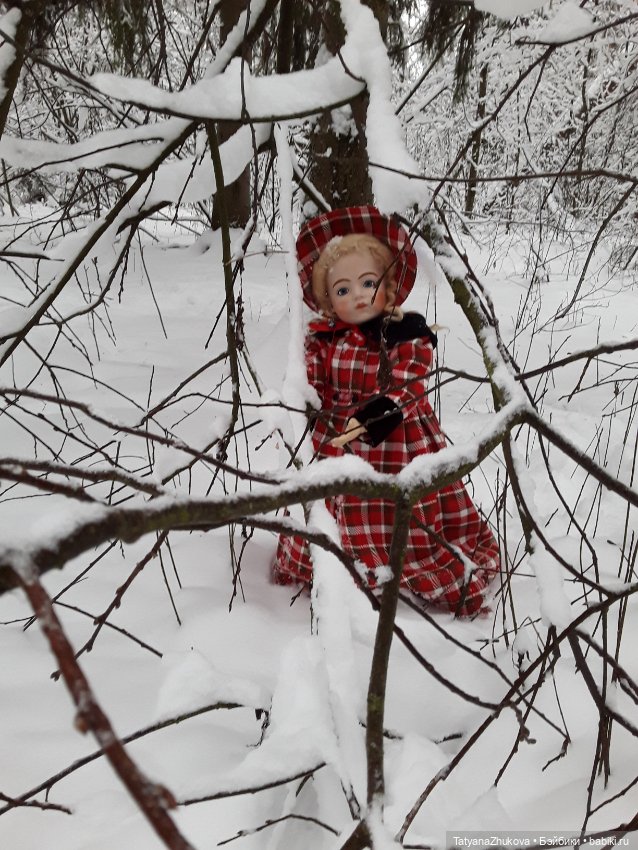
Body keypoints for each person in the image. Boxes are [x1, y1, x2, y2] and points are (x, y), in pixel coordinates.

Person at [272, 206, 499, 616]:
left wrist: (380, 412)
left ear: (388, 285)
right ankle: (330, 567)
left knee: (405, 519)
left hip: (398, 442)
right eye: (342, 290)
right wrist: (304, 407)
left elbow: (410, 379)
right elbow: (312, 384)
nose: (357, 295)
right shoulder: (323, 341)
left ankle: (413, 571)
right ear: (327, 299)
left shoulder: (405, 331)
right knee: (328, 508)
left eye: (368, 283)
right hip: (336, 442)